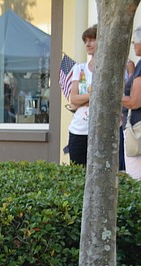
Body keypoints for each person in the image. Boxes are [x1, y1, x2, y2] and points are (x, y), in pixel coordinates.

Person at [68, 25, 97, 167]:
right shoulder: (79, 68)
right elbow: (73, 99)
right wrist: (94, 96)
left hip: (100, 131)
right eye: (85, 40)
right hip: (78, 129)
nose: (88, 44)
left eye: (92, 39)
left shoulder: (112, 70)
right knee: (77, 173)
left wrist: (82, 100)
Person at [123, 28, 141, 179]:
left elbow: (135, 102)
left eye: (135, 42)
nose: (134, 45)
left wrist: (111, 95)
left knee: (135, 178)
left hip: (137, 130)